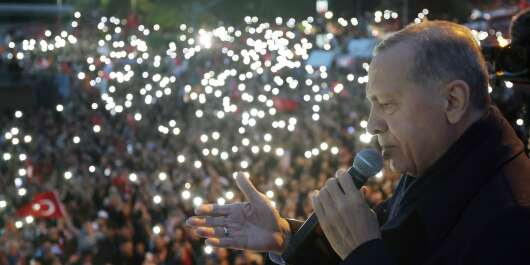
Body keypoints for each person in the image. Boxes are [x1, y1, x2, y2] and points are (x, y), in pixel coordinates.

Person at [185, 20, 530, 265]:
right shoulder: (436, 165)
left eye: (388, 105)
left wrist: (365, 254)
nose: (372, 124)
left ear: (452, 101)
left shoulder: (512, 224)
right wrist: (289, 237)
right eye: (371, 104)